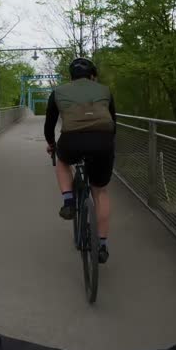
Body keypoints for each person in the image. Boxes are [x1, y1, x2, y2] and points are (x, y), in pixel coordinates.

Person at [44, 57, 116, 264]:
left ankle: (68, 202)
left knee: (63, 161)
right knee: (100, 191)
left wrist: (52, 144)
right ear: (93, 76)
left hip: (72, 141)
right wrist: (107, 145)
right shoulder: (105, 91)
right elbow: (113, 122)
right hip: (102, 141)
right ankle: (102, 245)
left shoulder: (58, 92)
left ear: (71, 77)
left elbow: (49, 125)